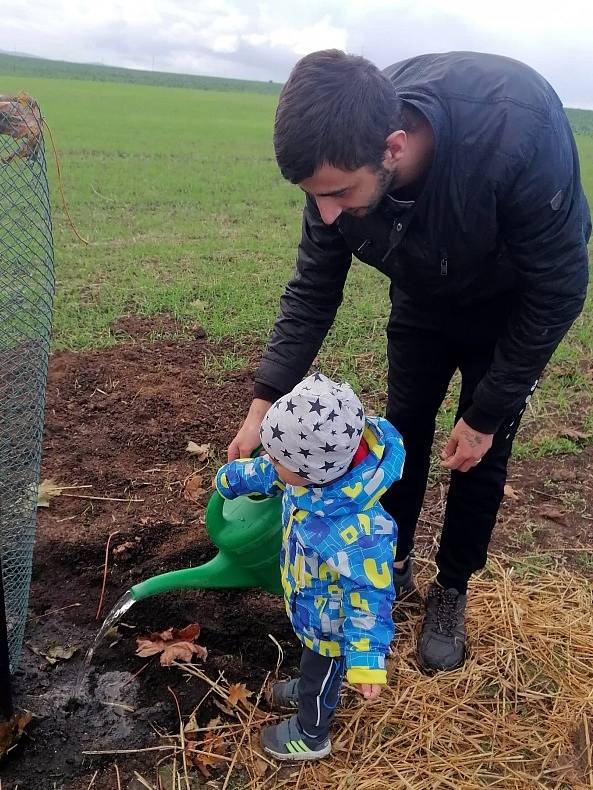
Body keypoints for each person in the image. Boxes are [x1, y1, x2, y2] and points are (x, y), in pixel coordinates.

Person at [228, 50, 591, 672]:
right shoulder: (338, 149)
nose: (327, 214)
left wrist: (487, 412)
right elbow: (313, 289)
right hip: (423, 294)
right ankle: (389, 565)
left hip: (511, 304)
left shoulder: (517, 130)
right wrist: (264, 402)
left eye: (339, 194)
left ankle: (451, 587)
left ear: (393, 147)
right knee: (402, 430)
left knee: (481, 451)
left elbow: (559, 287)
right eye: (315, 197)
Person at [215, 373, 404, 761]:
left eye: (279, 458)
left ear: (311, 473)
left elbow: (372, 596)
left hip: (333, 626)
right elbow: (272, 471)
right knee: (313, 663)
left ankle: (311, 735)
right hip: (311, 604)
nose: (272, 462)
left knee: (322, 673)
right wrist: (233, 478)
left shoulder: (361, 531)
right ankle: (309, 685)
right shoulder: (312, 470)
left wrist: (367, 660)